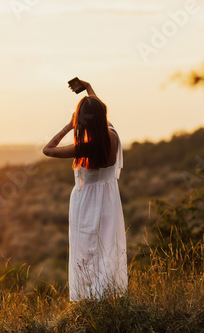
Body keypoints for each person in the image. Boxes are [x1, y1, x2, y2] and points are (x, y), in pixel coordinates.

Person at [43, 79, 128, 301]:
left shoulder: (85, 147)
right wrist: (88, 87)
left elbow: (48, 150)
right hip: (109, 200)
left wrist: (69, 125)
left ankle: (88, 298)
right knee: (108, 247)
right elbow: (98, 107)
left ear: (81, 121)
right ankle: (108, 295)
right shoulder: (112, 134)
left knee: (86, 250)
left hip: (87, 202)